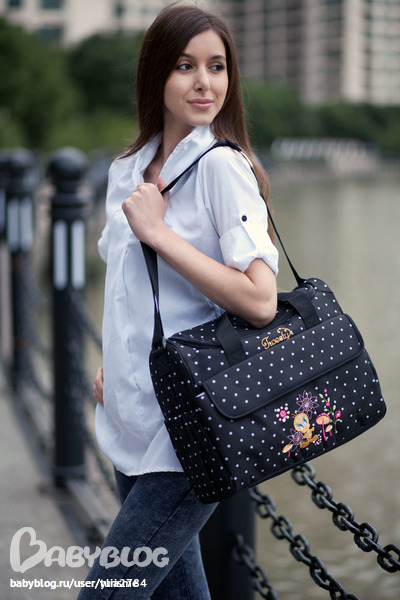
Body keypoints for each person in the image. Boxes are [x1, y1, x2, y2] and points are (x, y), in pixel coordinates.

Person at [81, 3, 278, 599]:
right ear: (156, 75)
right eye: (185, 66)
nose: (204, 83)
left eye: (217, 67)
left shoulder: (222, 168)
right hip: (131, 414)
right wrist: (114, 361)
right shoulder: (127, 169)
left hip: (191, 427)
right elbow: (126, 287)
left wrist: (159, 233)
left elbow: (260, 300)